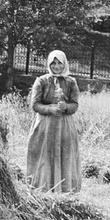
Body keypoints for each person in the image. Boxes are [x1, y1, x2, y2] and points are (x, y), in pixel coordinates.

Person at [26, 50, 82, 193]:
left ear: (64, 64)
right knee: (44, 155)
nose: (56, 66)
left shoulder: (71, 82)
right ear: (49, 64)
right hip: (45, 126)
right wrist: (49, 109)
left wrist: (65, 107)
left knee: (64, 156)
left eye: (59, 63)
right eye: (53, 63)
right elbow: (35, 105)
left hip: (64, 126)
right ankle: (42, 188)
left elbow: (75, 105)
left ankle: (64, 189)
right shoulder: (42, 81)